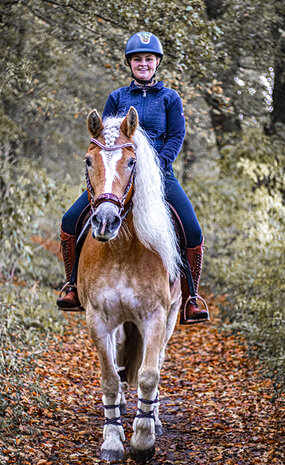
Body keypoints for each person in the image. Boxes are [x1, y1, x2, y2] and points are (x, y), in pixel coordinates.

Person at [57, 31, 209, 324]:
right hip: (116, 179)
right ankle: (72, 285)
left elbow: (176, 136)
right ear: (130, 63)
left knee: (192, 230)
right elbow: (104, 137)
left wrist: (154, 166)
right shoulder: (117, 97)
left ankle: (191, 298)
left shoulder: (169, 98)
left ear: (157, 63)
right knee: (69, 220)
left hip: (160, 177)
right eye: (137, 59)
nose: (143, 63)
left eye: (148, 59)